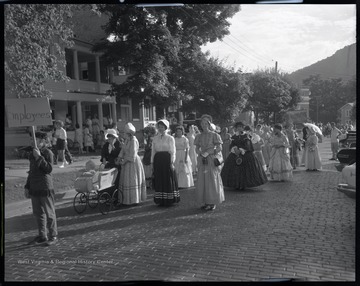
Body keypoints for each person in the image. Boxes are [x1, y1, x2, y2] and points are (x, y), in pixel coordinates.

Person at [24, 131, 58, 246]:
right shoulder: (31, 153)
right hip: (34, 187)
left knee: (49, 213)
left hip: (45, 187)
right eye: (32, 139)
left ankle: (53, 235)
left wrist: (39, 157)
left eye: (36, 139)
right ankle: (42, 235)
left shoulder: (48, 153)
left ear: (43, 141)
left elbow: (48, 169)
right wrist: (27, 186)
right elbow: (31, 171)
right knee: (38, 213)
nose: (33, 141)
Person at [221, 121, 268, 190]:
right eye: (238, 127)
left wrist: (241, 150)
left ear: (243, 128)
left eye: (241, 127)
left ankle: (244, 184)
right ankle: (236, 184)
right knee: (234, 168)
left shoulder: (246, 136)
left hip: (246, 153)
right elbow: (232, 145)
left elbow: (248, 145)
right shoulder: (234, 136)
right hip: (235, 154)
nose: (239, 128)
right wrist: (235, 149)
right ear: (236, 128)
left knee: (246, 169)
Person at [194, 114, 225, 211]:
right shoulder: (199, 136)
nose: (203, 125)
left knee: (211, 180)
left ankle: (212, 202)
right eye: (202, 123)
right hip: (202, 160)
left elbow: (220, 147)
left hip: (211, 160)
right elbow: (196, 147)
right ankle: (206, 201)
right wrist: (199, 152)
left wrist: (211, 152)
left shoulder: (215, 135)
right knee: (203, 180)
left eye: (205, 123)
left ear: (209, 124)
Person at [151, 119, 180, 206]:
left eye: (162, 127)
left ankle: (169, 199)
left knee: (167, 179)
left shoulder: (170, 138)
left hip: (166, 160)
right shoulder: (155, 138)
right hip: (158, 160)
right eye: (159, 127)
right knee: (159, 179)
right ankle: (160, 199)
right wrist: (152, 163)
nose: (160, 129)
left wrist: (171, 162)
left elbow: (173, 151)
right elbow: (153, 151)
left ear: (166, 128)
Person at [117, 123, 147, 205]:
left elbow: (132, 154)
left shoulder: (134, 140)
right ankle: (126, 199)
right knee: (126, 180)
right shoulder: (127, 140)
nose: (123, 134)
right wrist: (119, 158)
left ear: (129, 133)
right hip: (126, 162)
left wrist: (124, 161)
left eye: (124, 133)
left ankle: (134, 199)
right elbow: (123, 150)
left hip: (132, 162)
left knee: (133, 179)